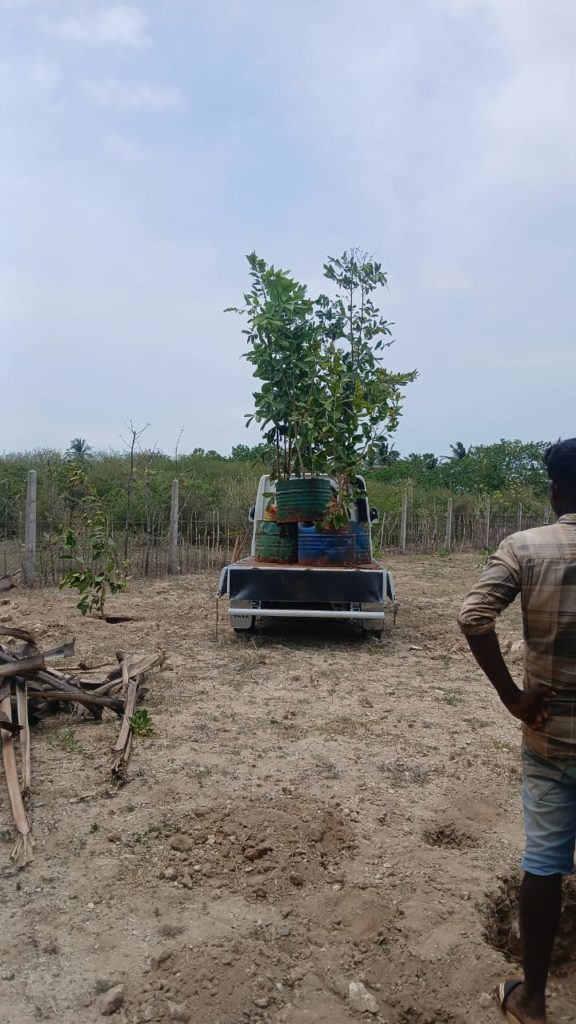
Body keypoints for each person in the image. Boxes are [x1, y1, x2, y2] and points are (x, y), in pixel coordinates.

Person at [458, 438, 576, 1024]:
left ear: (554, 490)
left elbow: (473, 615)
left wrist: (513, 698)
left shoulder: (525, 547)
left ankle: (532, 1000)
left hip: (550, 737)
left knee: (545, 861)